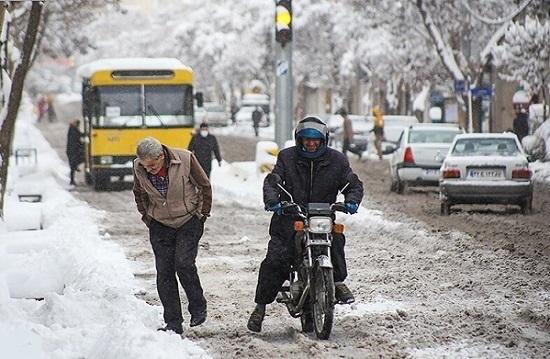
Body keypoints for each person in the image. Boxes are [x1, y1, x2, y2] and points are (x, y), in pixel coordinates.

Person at [247, 116, 364, 333]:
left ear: (324, 140)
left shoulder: (337, 160)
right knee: (276, 259)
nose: (311, 143)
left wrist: (352, 200)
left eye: (315, 140)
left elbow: (352, 183)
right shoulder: (287, 158)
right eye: (306, 139)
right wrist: (274, 201)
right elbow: (274, 181)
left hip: (322, 218)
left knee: (336, 240)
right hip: (289, 220)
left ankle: (336, 282)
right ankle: (260, 307)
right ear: (299, 139)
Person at [132, 137, 212, 334]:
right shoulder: (139, 167)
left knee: (184, 263)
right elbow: (139, 193)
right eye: (145, 166)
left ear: (161, 156)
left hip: (188, 221)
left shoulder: (185, 159)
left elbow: (204, 185)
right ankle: (173, 322)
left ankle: (198, 307)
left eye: (152, 165)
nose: (148, 169)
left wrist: (201, 215)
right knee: (164, 272)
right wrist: (147, 217)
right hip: (159, 224)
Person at [66, 119, 84, 185]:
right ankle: (72, 180)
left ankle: (72, 179)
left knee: (73, 166)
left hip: (72, 151)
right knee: (73, 166)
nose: (78, 126)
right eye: (78, 124)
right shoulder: (74, 130)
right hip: (72, 151)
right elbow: (77, 138)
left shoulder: (72, 129)